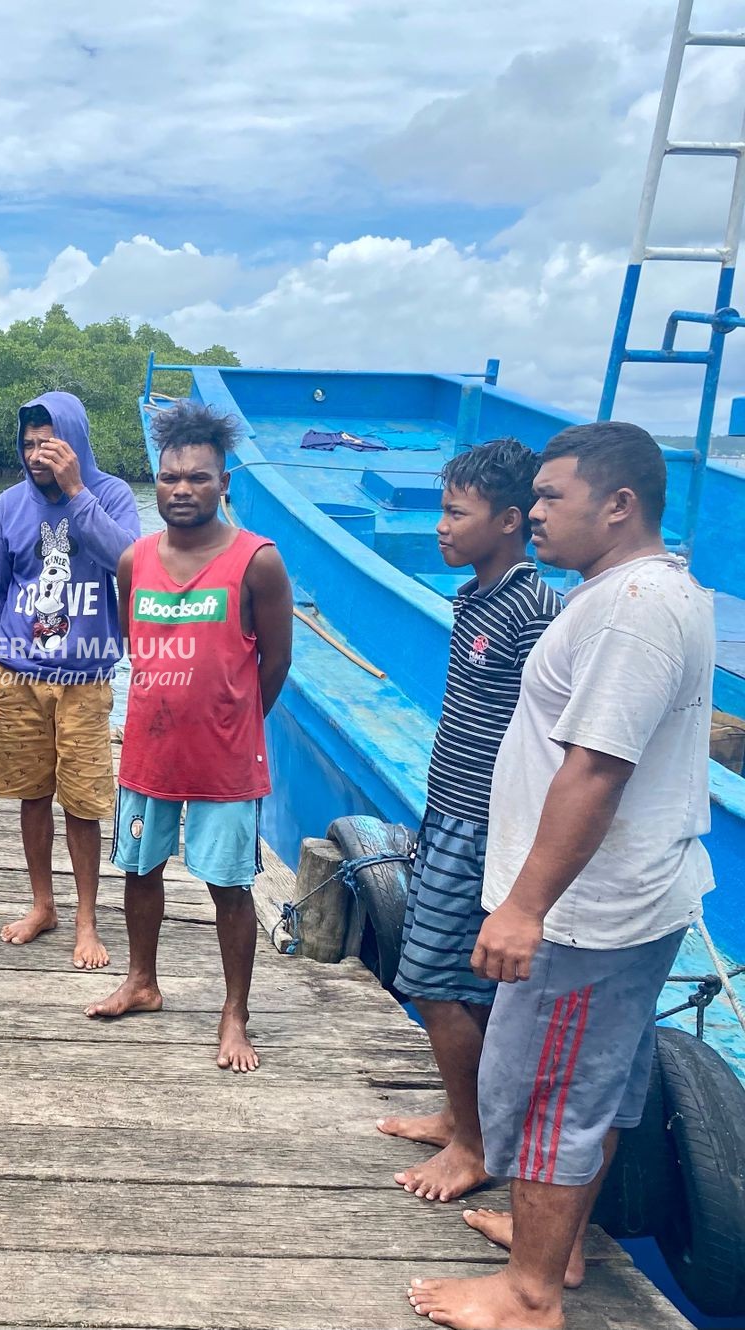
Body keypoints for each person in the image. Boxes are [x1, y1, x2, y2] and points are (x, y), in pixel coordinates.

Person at [409, 421, 716, 1330]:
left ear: (619, 506)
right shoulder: (629, 594)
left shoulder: (632, 611)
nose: (533, 512)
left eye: (551, 498)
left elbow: (596, 769)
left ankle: (531, 1296)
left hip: (586, 914)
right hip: (623, 902)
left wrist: (524, 905)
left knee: (550, 1092)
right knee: (598, 1088)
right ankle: (561, 1246)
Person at [377, 440, 562, 1204]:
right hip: (447, 813)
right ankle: (460, 1113)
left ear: (511, 521)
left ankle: (477, 1145)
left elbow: (549, 736)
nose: (443, 527)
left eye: (458, 513)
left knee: (433, 983)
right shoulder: (476, 598)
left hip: (485, 828)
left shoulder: (532, 609)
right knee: (461, 983)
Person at [85, 402, 293, 1080]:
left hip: (227, 762)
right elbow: (134, 647)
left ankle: (235, 1011)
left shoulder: (257, 561)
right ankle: (142, 979)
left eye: (198, 478)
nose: (181, 489)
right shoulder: (134, 560)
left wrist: (230, 721)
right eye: (170, 477)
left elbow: (276, 662)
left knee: (229, 886)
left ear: (224, 482)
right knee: (138, 871)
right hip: (149, 753)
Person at [0, 390, 139, 970]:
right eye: (28, 442)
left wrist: (75, 494)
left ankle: (87, 919)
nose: (37, 452)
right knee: (32, 794)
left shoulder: (109, 495)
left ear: (75, 441)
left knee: (83, 802)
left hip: (85, 679)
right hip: (18, 674)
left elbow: (130, 561)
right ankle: (44, 904)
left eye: (49, 441)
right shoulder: (9, 505)